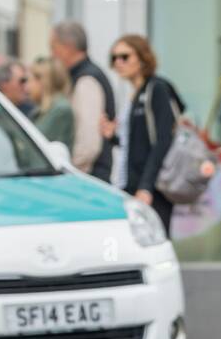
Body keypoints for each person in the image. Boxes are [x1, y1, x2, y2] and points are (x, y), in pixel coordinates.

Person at [103, 34, 180, 235]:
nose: (118, 62)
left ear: (142, 57)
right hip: (130, 184)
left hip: (153, 187)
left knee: (155, 243)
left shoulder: (157, 89)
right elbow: (136, 144)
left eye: (125, 56)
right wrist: (113, 137)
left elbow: (163, 140)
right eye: (114, 58)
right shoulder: (134, 94)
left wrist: (146, 186)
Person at [50, 20, 117, 180]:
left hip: (88, 175)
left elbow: (88, 144)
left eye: (53, 47)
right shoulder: (81, 76)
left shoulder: (86, 80)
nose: (52, 54)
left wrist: (70, 169)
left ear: (67, 47)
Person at [28, 56, 76, 152]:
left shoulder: (60, 110)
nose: (28, 85)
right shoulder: (43, 109)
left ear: (42, 81)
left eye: (30, 80)